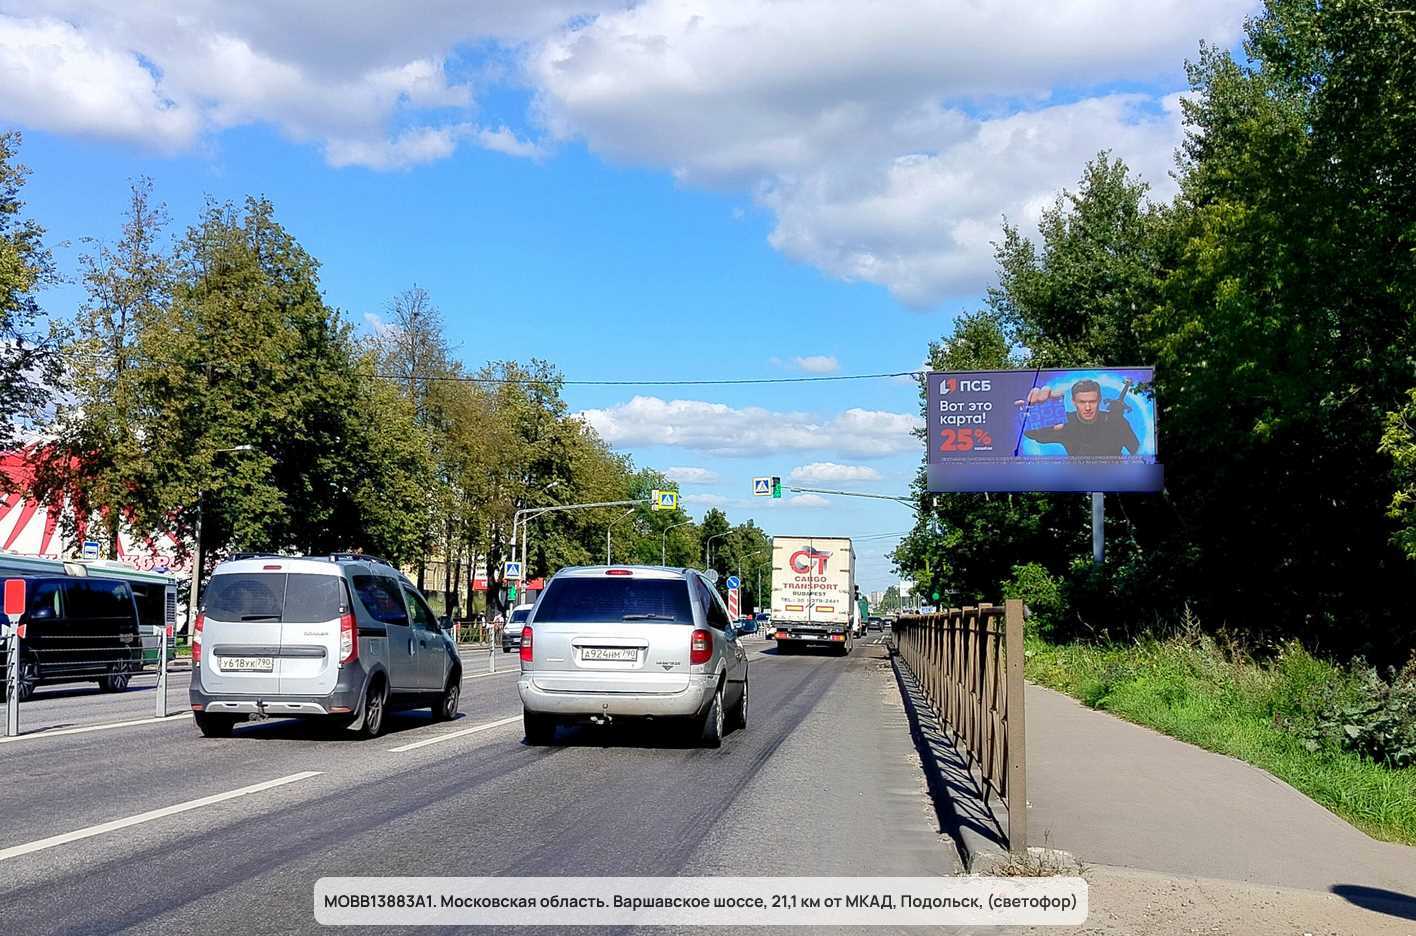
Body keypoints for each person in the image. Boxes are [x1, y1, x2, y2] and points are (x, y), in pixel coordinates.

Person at [1019, 378, 1140, 456]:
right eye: (1082, 402)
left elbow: (1139, 454)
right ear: (1073, 402)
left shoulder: (1118, 423)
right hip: (1079, 481)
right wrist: (1032, 419)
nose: (1088, 407)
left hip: (1116, 482)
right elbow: (1035, 434)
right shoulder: (1065, 423)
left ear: (1099, 400)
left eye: (1092, 401)